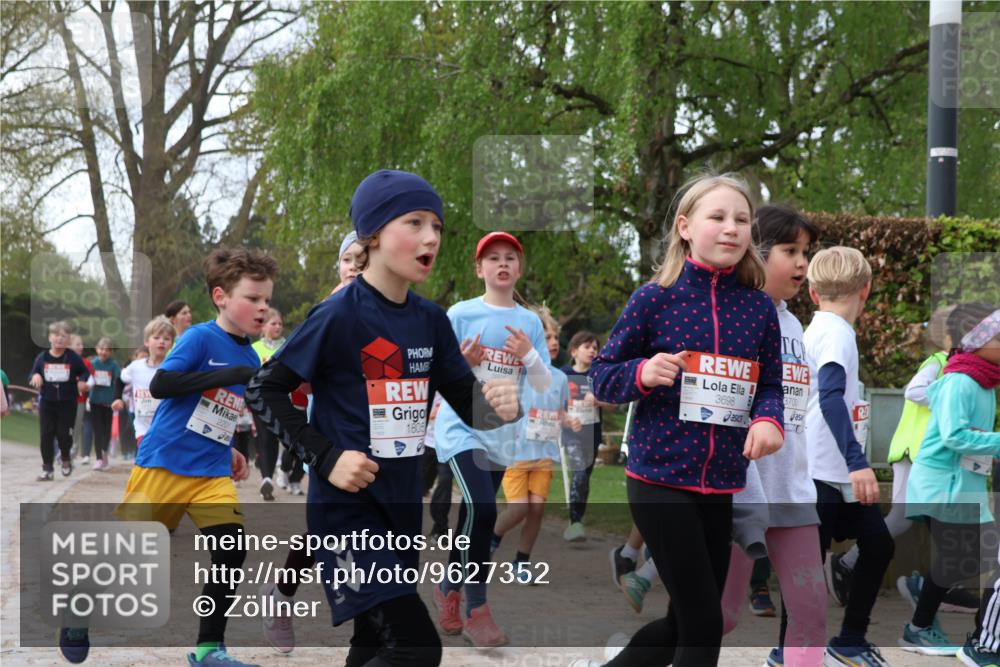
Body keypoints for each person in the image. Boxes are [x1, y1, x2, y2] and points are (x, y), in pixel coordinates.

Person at [247, 169, 520, 666]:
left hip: (400, 509)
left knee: (373, 641)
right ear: (372, 236)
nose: (431, 237)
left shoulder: (430, 321)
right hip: (346, 512)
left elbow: (469, 405)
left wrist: (501, 409)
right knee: (418, 647)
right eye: (414, 222)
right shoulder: (338, 314)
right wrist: (326, 457)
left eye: (436, 226)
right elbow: (265, 389)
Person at [582, 172, 785, 667]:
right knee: (703, 623)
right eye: (717, 217)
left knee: (684, 621)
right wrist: (644, 372)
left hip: (719, 485)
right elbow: (602, 377)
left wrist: (767, 422)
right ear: (686, 227)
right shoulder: (655, 298)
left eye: (742, 219)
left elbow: (772, 385)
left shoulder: (758, 308)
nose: (732, 228)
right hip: (658, 479)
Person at [57, 248, 280, 667]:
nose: (262, 307)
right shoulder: (198, 338)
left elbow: (216, 407)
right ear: (221, 296)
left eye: (266, 299)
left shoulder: (251, 356)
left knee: (231, 552)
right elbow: (163, 385)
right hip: (164, 463)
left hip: (210, 472)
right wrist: (230, 375)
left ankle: (210, 649)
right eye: (252, 298)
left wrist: (229, 446)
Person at [718, 204, 826, 667]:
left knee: (812, 612)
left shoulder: (796, 325)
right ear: (756, 254)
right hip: (741, 491)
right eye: (790, 251)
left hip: (793, 492)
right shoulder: (731, 314)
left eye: (806, 252)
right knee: (719, 616)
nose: (803, 263)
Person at [432, 230, 552, 647]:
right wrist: (461, 364)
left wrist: (528, 354)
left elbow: (543, 384)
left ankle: (448, 590)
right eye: (493, 258)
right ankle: (476, 610)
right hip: (461, 428)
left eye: (510, 258)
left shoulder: (530, 322)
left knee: (471, 520)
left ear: (519, 268)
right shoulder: (460, 314)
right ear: (479, 268)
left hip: (502, 434)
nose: (502, 264)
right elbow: (437, 374)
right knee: (483, 511)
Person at [804, 246, 893, 667]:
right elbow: (830, 398)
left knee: (877, 544)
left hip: (830, 473)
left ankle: (849, 640)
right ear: (867, 289)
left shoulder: (819, 326)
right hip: (823, 473)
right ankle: (796, 653)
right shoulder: (836, 331)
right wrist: (859, 463)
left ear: (812, 292)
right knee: (806, 573)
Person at [900, 304, 1000, 657]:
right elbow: (954, 436)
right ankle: (919, 626)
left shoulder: (984, 383)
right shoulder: (959, 380)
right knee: (960, 560)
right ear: (976, 341)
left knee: (980, 559)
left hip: (964, 486)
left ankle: (922, 598)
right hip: (942, 486)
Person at [492, 306, 577, 584]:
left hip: (544, 455)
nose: (553, 343)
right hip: (516, 453)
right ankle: (489, 539)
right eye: (547, 337)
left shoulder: (561, 378)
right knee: (518, 509)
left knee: (537, 509)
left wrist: (569, 421)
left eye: (555, 337)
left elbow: (559, 411)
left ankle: (521, 561)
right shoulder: (517, 374)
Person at [29, 321, 89, 480]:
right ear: (50, 337)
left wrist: (82, 381)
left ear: (68, 340)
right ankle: (47, 468)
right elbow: (33, 374)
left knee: (64, 435)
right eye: (56, 335)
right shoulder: (42, 357)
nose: (59, 339)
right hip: (47, 402)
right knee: (46, 435)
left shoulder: (73, 357)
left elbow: (84, 372)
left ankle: (65, 459)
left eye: (64, 336)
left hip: (67, 403)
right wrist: (36, 376)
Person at [561, 330, 604, 542]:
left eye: (595, 348)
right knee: (578, 473)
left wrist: (599, 402)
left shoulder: (599, 374)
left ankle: (575, 521)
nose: (592, 351)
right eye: (587, 347)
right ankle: (575, 523)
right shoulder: (563, 374)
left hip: (593, 433)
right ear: (574, 351)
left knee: (584, 478)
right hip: (570, 433)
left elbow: (613, 404)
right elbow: (552, 404)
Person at [114, 318, 174, 448]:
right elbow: (120, 379)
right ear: (147, 341)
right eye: (157, 337)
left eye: (167, 339)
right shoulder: (135, 367)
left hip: (166, 426)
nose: (162, 341)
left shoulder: (173, 368)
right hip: (143, 426)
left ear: (171, 343)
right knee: (145, 458)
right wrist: (117, 398)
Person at [252, 307, 287, 500]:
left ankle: (273, 473)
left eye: (280, 324)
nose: (278, 327)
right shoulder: (255, 349)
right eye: (273, 323)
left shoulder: (288, 346)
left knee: (276, 438)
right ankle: (267, 478)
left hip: (283, 399)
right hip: (259, 400)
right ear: (264, 326)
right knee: (266, 437)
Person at [87, 337, 121, 471]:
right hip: (95, 400)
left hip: (109, 402)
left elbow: (118, 382)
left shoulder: (113, 365)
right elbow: (87, 379)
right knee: (97, 429)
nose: (104, 352)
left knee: (106, 430)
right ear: (97, 349)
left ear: (111, 352)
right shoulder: (93, 364)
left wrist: (117, 397)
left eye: (107, 350)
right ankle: (98, 458)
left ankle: (104, 453)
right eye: (101, 349)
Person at [68, 334, 94, 462]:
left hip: (80, 401)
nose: (81, 347)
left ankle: (72, 452)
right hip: (64, 400)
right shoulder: (63, 360)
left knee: (77, 427)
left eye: (82, 344)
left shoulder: (86, 363)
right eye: (78, 344)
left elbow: (91, 379)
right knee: (64, 426)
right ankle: (61, 451)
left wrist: (87, 386)